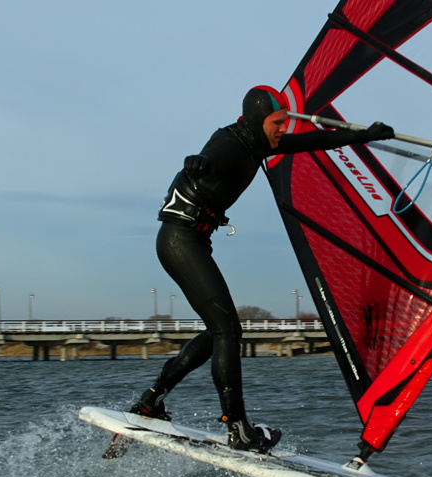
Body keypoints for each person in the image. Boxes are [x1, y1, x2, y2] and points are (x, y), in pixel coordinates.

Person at [130, 85, 394, 454]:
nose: (284, 128)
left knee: (218, 331)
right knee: (228, 330)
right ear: (258, 119)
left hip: (191, 241)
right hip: (179, 241)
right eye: (277, 122)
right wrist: (196, 163)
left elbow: (313, 142)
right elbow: (208, 158)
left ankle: (151, 400)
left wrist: (362, 135)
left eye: (285, 121)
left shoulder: (258, 142)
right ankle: (237, 428)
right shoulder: (230, 143)